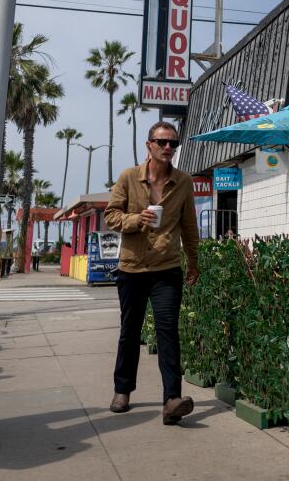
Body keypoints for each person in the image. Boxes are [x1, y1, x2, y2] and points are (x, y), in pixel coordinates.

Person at [104, 121, 200, 425]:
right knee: (130, 331)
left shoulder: (183, 182)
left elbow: (189, 226)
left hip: (166, 268)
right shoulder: (128, 177)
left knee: (168, 330)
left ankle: (172, 400)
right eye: (162, 142)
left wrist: (193, 262)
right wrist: (136, 220)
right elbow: (110, 216)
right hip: (132, 267)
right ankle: (122, 390)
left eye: (173, 143)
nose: (168, 147)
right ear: (149, 145)